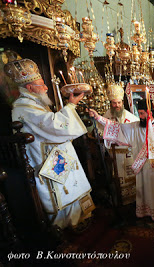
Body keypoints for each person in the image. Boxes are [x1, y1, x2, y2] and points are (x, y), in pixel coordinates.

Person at [6, 58, 92, 229]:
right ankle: (65, 225)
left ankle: (78, 218)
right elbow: (52, 124)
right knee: (61, 190)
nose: (45, 87)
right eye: (41, 84)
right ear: (29, 88)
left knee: (71, 185)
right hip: (45, 158)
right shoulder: (23, 107)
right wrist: (71, 106)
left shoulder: (33, 103)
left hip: (55, 153)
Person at [89, 100, 154, 221]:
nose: (140, 116)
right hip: (142, 170)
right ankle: (146, 215)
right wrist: (98, 118)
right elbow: (116, 127)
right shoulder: (135, 127)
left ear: (150, 112)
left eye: (143, 113)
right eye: (139, 113)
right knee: (145, 193)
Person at [102, 83, 139, 205]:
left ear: (122, 103)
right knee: (117, 179)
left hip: (128, 154)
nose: (117, 105)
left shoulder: (130, 117)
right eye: (114, 103)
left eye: (119, 103)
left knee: (131, 177)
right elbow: (101, 131)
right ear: (110, 103)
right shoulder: (106, 116)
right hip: (114, 155)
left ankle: (133, 201)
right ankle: (119, 201)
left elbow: (136, 132)